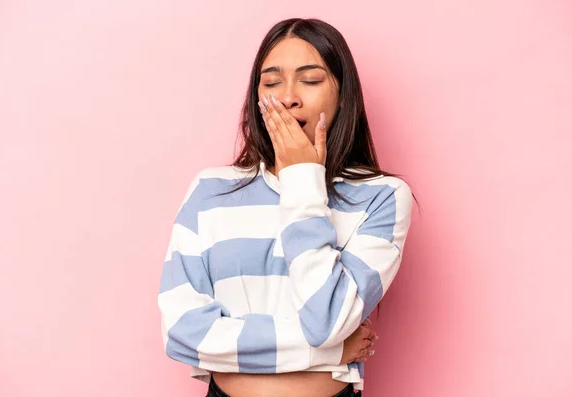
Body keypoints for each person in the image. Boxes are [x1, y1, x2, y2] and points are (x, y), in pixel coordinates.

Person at [157, 17, 414, 397]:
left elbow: (326, 321)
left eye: (310, 81)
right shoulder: (211, 190)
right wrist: (328, 352)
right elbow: (183, 333)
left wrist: (303, 179)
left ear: (343, 94)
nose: (289, 97)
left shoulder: (382, 197)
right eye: (272, 82)